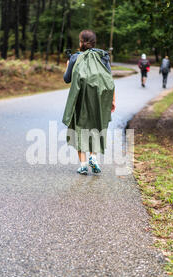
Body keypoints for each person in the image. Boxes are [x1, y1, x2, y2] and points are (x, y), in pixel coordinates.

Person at [63, 30, 116, 175]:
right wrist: (113, 100)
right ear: (94, 42)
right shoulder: (103, 56)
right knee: (97, 123)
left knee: (79, 127)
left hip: (80, 98)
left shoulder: (75, 57)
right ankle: (93, 156)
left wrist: (69, 65)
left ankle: (83, 164)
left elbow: (67, 79)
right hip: (99, 97)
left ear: (81, 42)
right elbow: (109, 79)